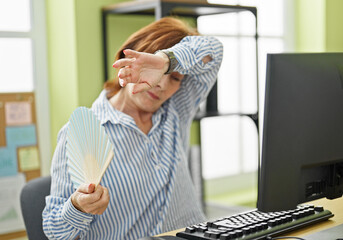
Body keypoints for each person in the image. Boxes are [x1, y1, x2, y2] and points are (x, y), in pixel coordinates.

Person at [42, 17, 223, 240]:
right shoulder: (80, 134)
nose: (161, 84)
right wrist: (78, 207)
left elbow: (214, 51)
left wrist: (165, 61)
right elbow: (54, 231)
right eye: (149, 70)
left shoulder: (176, 110)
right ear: (126, 59)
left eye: (174, 77)